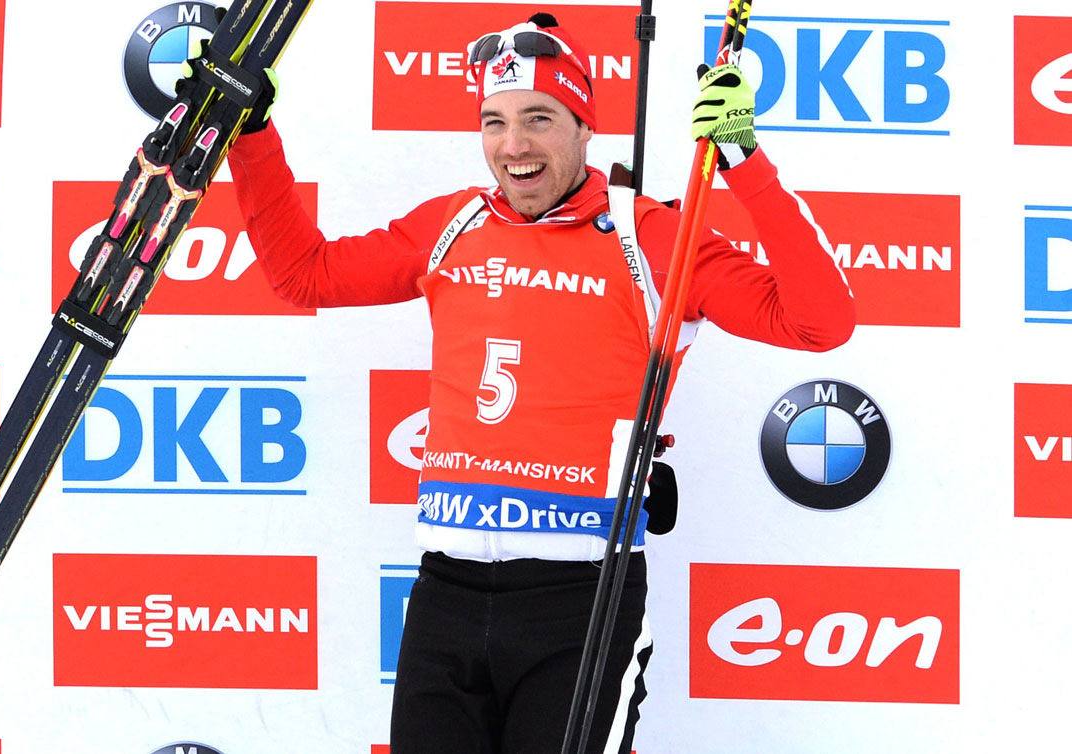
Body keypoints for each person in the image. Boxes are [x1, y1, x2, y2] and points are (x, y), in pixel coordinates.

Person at [224, 12, 855, 753]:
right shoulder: (452, 225)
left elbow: (820, 321)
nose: (513, 146)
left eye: (539, 119)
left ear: (585, 127)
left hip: (580, 602)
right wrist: (252, 134)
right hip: (446, 594)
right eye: (494, 121)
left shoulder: (649, 236)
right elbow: (305, 276)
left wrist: (744, 156)